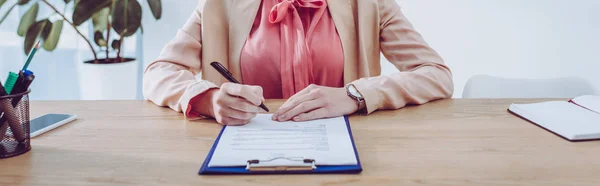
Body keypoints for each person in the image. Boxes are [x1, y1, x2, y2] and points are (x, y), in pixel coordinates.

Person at [143, 0, 454, 125]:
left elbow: (436, 75)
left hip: (348, 155)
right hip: (245, 158)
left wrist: (355, 94)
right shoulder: (221, 4)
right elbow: (158, 73)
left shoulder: (368, 4)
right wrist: (209, 99)